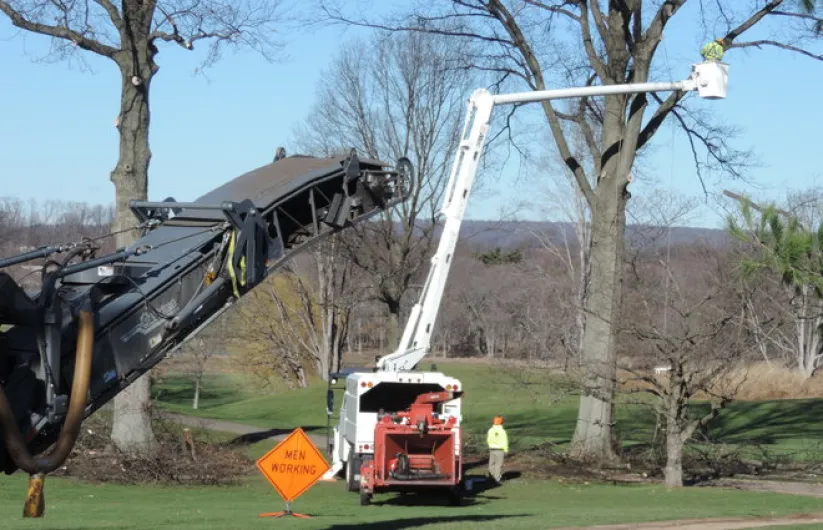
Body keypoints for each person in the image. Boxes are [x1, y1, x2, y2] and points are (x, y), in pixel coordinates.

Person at [486, 415, 508, 483]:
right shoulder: (502, 431)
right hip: (500, 449)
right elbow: (505, 441)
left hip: (492, 448)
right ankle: (497, 478)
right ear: (501, 422)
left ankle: (492, 476)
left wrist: (490, 446)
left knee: (491, 464)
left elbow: (488, 439)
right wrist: (506, 450)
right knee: (498, 464)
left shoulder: (490, 430)